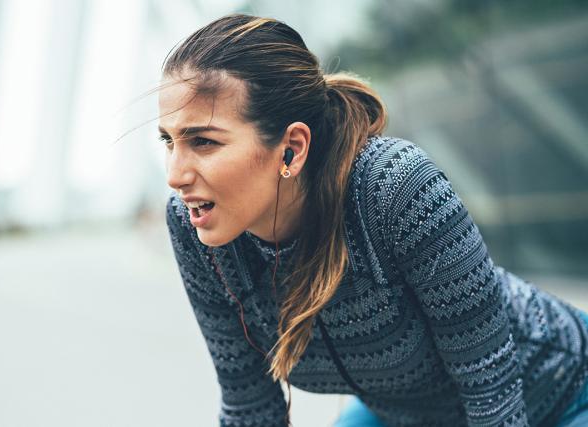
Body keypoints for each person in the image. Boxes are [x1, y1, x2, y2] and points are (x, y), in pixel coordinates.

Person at [158, 14, 588, 427]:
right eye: (169, 141)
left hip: (562, 392)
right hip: (405, 414)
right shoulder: (196, 229)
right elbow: (249, 409)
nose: (176, 175)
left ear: (291, 149)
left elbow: (491, 388)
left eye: (203, 141)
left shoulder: (394, 189)